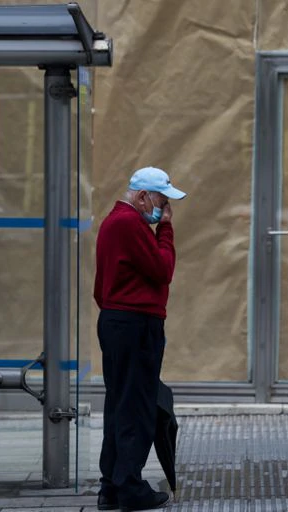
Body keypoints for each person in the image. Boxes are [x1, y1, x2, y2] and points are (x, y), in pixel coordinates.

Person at [93, 166, 186, 511]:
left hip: (117, 321)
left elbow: (100, 286)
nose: (163, 209)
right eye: (161, 200)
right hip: (136, 324)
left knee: (119, 403)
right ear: (143, 195)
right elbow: (163, 270)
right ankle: (129, 486)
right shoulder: (130, 224)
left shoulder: (112, 223)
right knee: (137, 407)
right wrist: (166, 230)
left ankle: (111, 486)